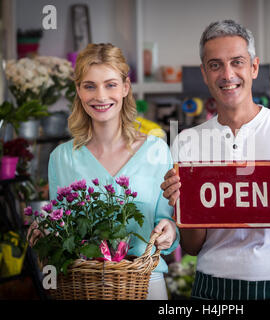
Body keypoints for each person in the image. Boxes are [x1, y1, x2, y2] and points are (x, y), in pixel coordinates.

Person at [160, 20, 270, 300]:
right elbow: (193, 246)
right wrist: (186, 204)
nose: (227, 74)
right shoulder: (186, 142)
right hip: (211, 286)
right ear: (205, 74)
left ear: (254, 67)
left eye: (237, 62)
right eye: (215, 65)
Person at [31, 43, 179, 300]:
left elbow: (166, 223)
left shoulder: (157, 151)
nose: (100, 96)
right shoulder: (61, 158)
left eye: (110, 84)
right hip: (83, 286)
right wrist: (43, 232)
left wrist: (169, 231)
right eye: (90, 86)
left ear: (125, 87)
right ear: (78, 90)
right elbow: (60, 230)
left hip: (145, 284)